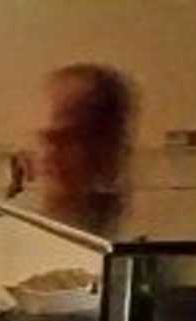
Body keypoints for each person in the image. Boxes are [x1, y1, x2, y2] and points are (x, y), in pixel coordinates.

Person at [29, 63, 134, 234]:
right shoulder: (12, 232)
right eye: (43, 139)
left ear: (106, 147)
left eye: (65, 139)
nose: (47, 155)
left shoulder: (140, 235)